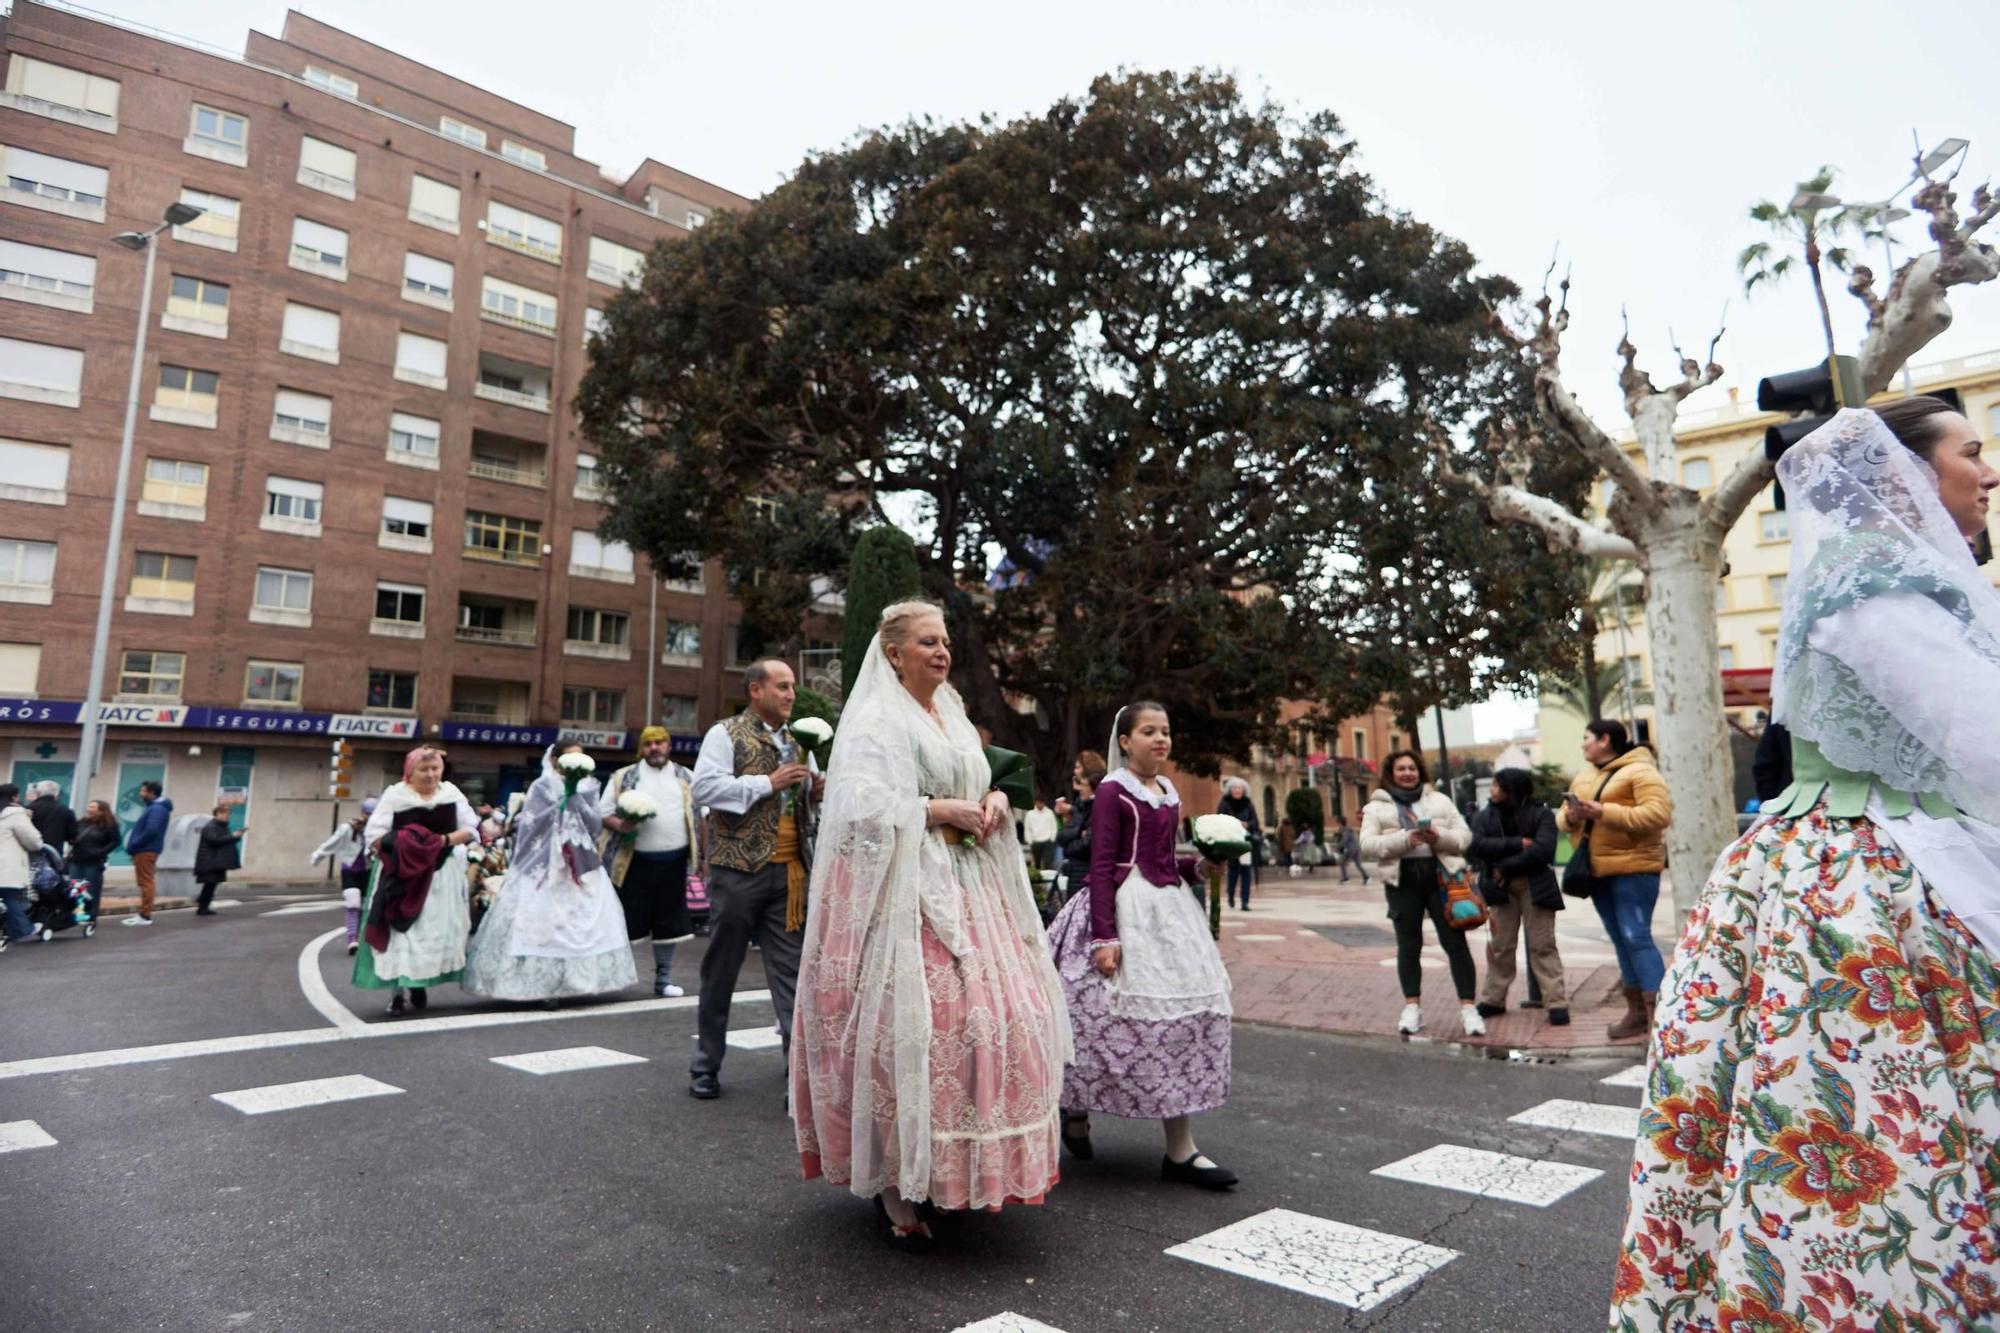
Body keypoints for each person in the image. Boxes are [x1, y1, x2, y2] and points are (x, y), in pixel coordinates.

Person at [1611, 402, 2000, 1328]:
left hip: (1859, 864)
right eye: (1973, 451)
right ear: (1906, 471)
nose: (1987, 472)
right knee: (1867, 1121)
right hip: (1860, 885)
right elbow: (1982, 739)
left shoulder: (1892, 576)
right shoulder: (1871, 579)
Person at [792, 601, 1070, 1249]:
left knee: (996, 1023)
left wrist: (995, 797)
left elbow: (986, 773)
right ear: (894, 653)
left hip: (971, 886)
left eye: (945, 641)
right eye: (928, 642)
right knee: (913, 1033)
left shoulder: (950, 711)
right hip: (905, 894)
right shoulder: (873, 719)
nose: (942, 652)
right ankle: (894, 1184)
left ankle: (948, 1171)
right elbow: (858, 809)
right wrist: (937, 808)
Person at [1047, 702, 1237, 1191]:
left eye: (1166, 731)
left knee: (1177, 1026)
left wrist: (1200, 867)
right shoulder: (1113, 789)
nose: (1160, 739)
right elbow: (1105, 862)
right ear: (1125, 741)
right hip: (1118, 912)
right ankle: (1074, 1108)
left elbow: (1166, 860)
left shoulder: (1169, 791)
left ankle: (1181, 1150)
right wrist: (1105, 938)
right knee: (1092, 1023)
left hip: (1168, 913)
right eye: (1148, 731)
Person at [688, 658, 822, 1100]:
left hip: (790, 874)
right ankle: (706, 1065)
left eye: (792, 688)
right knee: (721, 971)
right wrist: (768, 782)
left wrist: (815, 791)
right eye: (782, 686)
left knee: (792, 975)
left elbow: (806, 801)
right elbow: (705, 789)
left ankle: (795, 1075)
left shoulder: (801, 740)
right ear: (755, 690)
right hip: (737, 873)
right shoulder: (724, 733)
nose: (790, 695)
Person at [464, 744, 638, 1001]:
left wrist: (575, 797)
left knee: (583, 915)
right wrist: (561, 802)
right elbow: (530, 823)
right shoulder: (542, 786)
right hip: (544, 860)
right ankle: (542, 985)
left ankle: (579, 981)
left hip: (581, 860)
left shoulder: (589, 787)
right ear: (556, 759)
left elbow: (593, 825)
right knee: (541, 919)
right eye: (569, 755)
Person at [1555, 717, 1670, 1042]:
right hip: (1597, 870)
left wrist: (1603, 812)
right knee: (1620, 941)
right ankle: (1636, 1013)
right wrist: (1571, 816)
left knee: (1637, 937)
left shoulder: (1641, 771)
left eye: (1587, 737)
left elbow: (1659, 815)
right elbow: (1562, 819)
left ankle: (1660, 1019)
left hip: (1634, 869)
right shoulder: (1585, 775)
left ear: (1605, 739)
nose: (1583, 744)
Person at [1360, 750, 1483, 1037]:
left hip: (1442, 880)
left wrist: (1439, 838)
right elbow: (1366, 844)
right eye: (1401, 768)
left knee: (1455, 944)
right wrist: (1405, 839)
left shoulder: (1439, 800)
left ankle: (1469, 1009)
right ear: (1391, 773)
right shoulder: (1376, 807)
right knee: (1408, 945)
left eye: (1411, 768)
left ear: (1419, 771)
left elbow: (1465, 837)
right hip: (1402, 882)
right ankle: (1412, 1008)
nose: (1407, 773)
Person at [353, 746, 479, 1015]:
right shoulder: (396, 795)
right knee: (401, 933)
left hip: (440, 876)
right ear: (410, 772)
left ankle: (419, 984)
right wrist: (407, 846)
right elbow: (374, 835)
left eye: (435, 768)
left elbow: (470, 828)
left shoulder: (451, 794)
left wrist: (440, 842)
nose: (431, 774)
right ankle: (397, 993)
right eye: (424, 769)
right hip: (402, 875)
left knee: (431, 933)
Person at [602, 727, 700, 997]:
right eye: (648, 744)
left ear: (669, 746)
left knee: (669, 924)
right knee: (623, 921)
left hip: (674, 862)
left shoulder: (687, 777)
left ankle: (663, 980)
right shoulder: (624, 777)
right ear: (641, 749)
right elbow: (603, 813)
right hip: (633, 862)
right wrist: (621, 825)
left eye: (659, 743)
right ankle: (613, 976)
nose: (654, 748)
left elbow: (702, 814)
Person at [1467, 769, 1566, 1025]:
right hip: (1499, 888)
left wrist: (1505, 866)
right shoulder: (1485, 816)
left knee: (1542, 944)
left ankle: (1556, 1002)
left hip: (1534, 884)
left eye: (1497, 786)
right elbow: (1476, 845)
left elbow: (1544, 850)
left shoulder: (1541, 813)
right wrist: (1516, 844)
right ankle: (1493, 999)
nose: (1492, 790)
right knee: (1500, 946)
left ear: (1512, 789)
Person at [311, 799, 376, 955]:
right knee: (353, 904)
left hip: (368, 871)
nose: (371, 817)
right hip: (350, 870)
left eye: (373, 814)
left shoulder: (377, 830)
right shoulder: (347, 828)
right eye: (368, 814)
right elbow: (331, 843)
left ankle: (360, 937)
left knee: (365, 907)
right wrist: (318, 856)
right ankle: (352, 939)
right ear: (363, 813)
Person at [0, 784, 45, 951]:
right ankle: (23, 930)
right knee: (11, 899)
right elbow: (32, 841)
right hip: (6, 865)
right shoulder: (15, 814)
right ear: (14, 797)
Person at [121, 780, 170, 926]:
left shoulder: (156, 809)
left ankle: (145, 915)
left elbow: (151, 830)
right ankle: (144, 913)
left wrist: (136, 844)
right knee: (145, 881)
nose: (140, 794)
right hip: (146, 849)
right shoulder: (155, 808)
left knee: (146, 882)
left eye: (143, 791)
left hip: (146, 850)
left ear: (151, 793)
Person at [66, 800, 120, 928]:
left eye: (92, 806)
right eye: (89, 805)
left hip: (94, 861)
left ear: (101, 810)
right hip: (77, 858)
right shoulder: (82, 822)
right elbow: (72, 834)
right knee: (76, 888)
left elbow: (115, 841)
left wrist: (100, 852)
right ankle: (78, 914)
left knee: (91, 889)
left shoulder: (109, 825)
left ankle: (91, 916)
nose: (89, 808)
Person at [1217, 778, 1262, 910]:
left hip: (1246, 842)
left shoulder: (1248, 804)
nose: (1237, 790)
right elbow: (1219, 819)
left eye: (1239, 788)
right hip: (1231, 841)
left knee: (1246, 871)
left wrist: (1247, 824)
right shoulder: (1225, 803)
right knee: (1233, 871)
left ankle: (1245, 902)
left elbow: (1255, 822)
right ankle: (1230, 894)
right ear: (1230, 790)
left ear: (1244, 790)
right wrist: (1233, 823)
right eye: (1234, 788)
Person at [192, 804, 244, 917]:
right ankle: (202, 907)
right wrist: (233, 836)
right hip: (210, 861)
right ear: (218, 813)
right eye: (226, 814)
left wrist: (236, 836)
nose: (228, 816)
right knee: (209, 885)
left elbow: (225, 840)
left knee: (211, 885)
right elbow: (215, 840)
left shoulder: (221, 826)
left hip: (216, 861)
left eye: (229, 814)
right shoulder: (211, 826)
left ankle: (203, 906)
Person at [27, 781, 77, 859]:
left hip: (31, 850)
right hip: (54, 851)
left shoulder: (29, 808)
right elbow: (72, 834)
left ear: (39, 792)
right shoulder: (66, 810)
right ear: (56, 794)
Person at [1023, 797, 1060, 873]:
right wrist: (1029, 840)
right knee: (1037, 864)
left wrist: (1052, 838)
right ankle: (1038, 881)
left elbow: (1054, 826)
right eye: (1038, 802)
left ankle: (1048, 881)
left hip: (1047, 841)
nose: (1039, 804)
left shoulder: (1049, 812)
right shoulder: (1030, 814)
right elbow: (1027, 829)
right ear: (1035, 803)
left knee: (1048, 863)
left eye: (1041, 802)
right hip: (1035, 841)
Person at [1330, 814, 1368, 884]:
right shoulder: (1343, 829)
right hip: (1353, 849)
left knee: (1342, 861)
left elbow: (1344, 840)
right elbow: (1339, 836)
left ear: (1341, 823)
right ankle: (1366, 877)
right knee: (1356, 864)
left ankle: (1346, 878)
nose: (1338, 824)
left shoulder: (1347, 829)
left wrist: (1336, 847)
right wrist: (1336, 835)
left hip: (1353, 849)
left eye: (1338, 823)